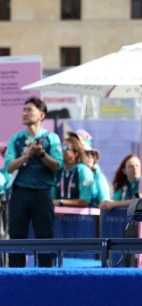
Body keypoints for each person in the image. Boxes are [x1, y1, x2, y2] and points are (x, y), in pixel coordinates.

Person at [4, 97, 63, 267]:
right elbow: (9, 167)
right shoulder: (16, 139)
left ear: (41, 115)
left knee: (45, 237)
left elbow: (57, 165)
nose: (25, 113)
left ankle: (47, 277)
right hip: (19, 193)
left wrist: (41, 154)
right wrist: (27, 155)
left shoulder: (51, 138)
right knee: (16, 237)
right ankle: (15, 277)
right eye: (24, 110)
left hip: (43, 193)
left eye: (30, 110)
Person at [52, 136, 94, 208]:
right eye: (61, 148)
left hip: (82, 218)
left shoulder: (83, 170)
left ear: (75, 154)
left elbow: (85, 201)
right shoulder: (57, 171)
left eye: (65, 148)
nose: (62, 151)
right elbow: (52, 199)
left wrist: (61, 202)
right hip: (60, 218)